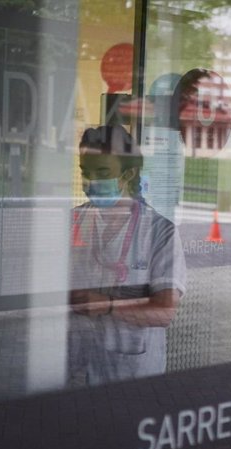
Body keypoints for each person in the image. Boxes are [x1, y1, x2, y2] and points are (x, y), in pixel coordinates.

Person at [69, 125, 186, 385]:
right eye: (84, 173)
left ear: (128, 174)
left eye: (101, 173)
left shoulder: (159, 232)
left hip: (130, 374)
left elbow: (165, 312)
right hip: (76, 370)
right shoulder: (73, 221)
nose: (90, 183)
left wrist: (109, 305)